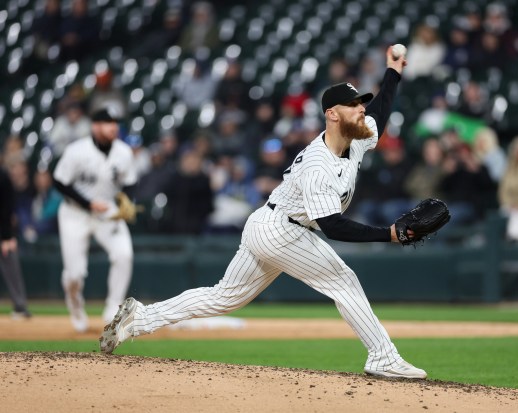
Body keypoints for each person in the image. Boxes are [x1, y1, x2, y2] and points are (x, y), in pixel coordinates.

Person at [100, 47, 428, 380]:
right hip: (281, 230)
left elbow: (381, 114)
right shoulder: (319, 164)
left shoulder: (354, 139)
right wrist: (387, 234)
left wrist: (393, 72)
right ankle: (382, 357)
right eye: (355, 104)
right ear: (332, 114)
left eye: (362, 103)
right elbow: (333, 226)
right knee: (343, 281)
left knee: (224, 297)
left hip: (269, 224)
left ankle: (140, 319)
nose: (362, 109)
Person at [53, 107, 137, 332]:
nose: (113, 127)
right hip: (75, 213)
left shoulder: (124, 152)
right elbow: (60, 182)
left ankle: (112, 308)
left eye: (114, 122)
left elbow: (129, 183)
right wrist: (88, 203)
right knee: (75, 274)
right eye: (107, 122)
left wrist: (125, 203)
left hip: (107, 211)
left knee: (124, 254)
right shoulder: (76, 151)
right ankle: (76, 306)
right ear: (95, 126)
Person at [0, 167, 31, 319]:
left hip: (3, 229)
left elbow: (7, 209)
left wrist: (6, 236)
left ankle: (19, 306)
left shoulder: (3, 177)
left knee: (9, 256)